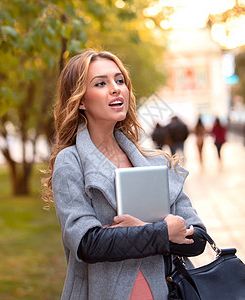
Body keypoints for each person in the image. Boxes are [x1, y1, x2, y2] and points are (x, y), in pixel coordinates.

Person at [47, 50, 206, 299]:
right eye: (101, 83)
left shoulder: (155, 162)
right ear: (80, 100)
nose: (115, 89)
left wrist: (142, 229)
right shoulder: (71, 162)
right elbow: (88, 243)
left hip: (166, 291)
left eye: (119, 81)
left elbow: (197, 239)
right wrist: (161, 232)